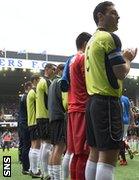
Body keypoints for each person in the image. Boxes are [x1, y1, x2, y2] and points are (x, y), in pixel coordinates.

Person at [84, 2, 137, 180]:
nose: (118, 17)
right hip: (106, 102)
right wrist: (128, 58)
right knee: (108, 156)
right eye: (113, 13)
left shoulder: (91, 41)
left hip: (92, 102)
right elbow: (121, 72)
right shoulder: (110, 37)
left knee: (94, 153)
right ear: (100, 16)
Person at [61, 32, 92, 180]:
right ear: (86, 44)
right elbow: (89, 84)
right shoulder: (83, 58)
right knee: (84, 154)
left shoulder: (71, 60)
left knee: (76, 154)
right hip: (82, 108)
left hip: (73, 109)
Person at [36, 63, 56, 179]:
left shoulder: (40, 82)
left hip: (40, 116)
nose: (54, 71)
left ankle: (44, 172)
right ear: (47, 69)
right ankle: (46, 172)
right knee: (47, 144)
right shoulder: (46, 82)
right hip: (45, 116)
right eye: (53, 69)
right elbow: (51, 99)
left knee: (44, 144)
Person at [47, 64, 67, 180]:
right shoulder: (60, 82)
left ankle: (52, 175)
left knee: (54, 148)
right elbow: (65, 102)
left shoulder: (51, 84)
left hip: (52, 118)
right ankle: (57, 178)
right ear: (60, 71)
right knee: (60, 148)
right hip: (59, 117)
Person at [27, 74, 42, 178]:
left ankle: (32, 169)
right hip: (35, 122)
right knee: (36, 146)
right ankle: (35, 170)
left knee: (33, 146)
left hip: (31, 122)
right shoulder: (34, 92)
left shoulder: (30, 92)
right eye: (39, 80)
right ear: (35, 80)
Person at [18, 81, 32, 175]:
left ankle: (25, 166)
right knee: (27, 146)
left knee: (24, 145)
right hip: (25, 123)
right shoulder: (26, 97)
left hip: (22, 123)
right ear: (28, 87)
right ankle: (26, 167)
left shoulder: (23, 96)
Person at [119, 95, 134, 165]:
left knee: (119, 140)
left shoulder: (116, 98)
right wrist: (132, 122)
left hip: (119, 121)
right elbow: (131, 112)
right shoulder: (126, 98)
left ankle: (123, 159)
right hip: (126, 121)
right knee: (123, 138)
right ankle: (127, 148)